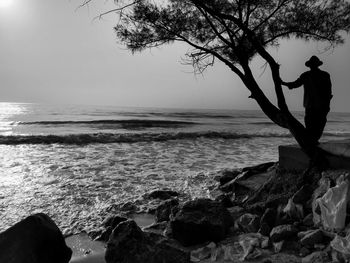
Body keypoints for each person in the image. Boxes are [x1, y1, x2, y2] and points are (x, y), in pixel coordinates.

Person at [281, 56, 332, 145]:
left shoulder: (311, 75)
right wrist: (284, 83)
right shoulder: (321, 75)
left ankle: (313, 142)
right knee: (316, 125)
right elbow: (295, 84)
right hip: (316, 105)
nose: (313, 66)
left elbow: (295, 84)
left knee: (314, 125)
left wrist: (284, 83)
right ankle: (313, 142)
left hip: (314, 105)